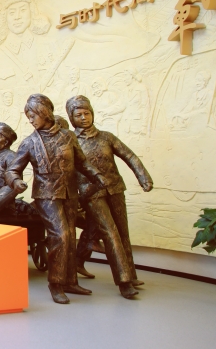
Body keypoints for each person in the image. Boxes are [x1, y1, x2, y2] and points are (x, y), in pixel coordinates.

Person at [5, 94, 108, 305]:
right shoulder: (30, 142)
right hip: (46, 196)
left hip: (69, 194)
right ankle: (56, 283)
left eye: (33, 115)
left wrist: (97, 176)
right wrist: (16, 182)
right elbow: (12, 170)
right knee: (60, 236)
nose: (31, 120)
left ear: (44, 112)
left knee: (70, 237)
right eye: (28, 116)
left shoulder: (68, 136)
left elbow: (82, 163)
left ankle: (70, 282)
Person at [66, 95, 152, 298]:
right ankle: (124, 281)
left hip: (115, 188)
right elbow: (66, 172)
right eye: (79, 115)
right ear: (71, 118)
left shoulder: (106, 137)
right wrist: (73, 198)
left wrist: (143, 177)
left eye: (87, 113)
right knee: (110, 233)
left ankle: (130, 274)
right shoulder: (70, 141)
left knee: (122, 233)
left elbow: (129, 156)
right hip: (91, 193)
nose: (84, 118)